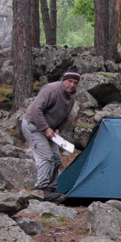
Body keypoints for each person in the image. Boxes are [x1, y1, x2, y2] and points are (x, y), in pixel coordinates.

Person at [21, 71, 80, 202]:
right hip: (34, 126)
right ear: (64, 80)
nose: (72, 85)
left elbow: (65, 117)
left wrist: (58, 129)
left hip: (50, 131)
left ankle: (51, 189)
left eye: (75, 83)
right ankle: (40, 189)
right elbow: (36, 109)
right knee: (46, 157)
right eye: (69, 81)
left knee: (57, 160)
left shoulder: (70, 99)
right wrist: (45, 128)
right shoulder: (50, 90)